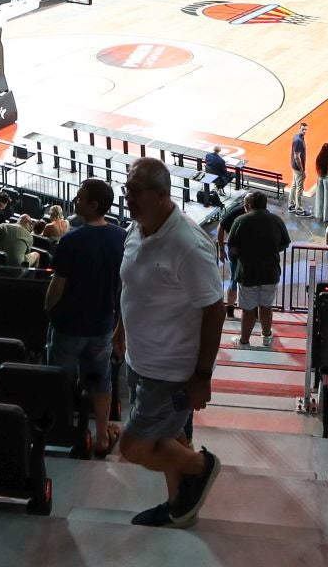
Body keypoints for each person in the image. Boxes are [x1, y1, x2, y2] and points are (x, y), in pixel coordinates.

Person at [114, 159, 224, 529]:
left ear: (162, 195)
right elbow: (131, 285)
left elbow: (215, 310)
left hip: (171, 371)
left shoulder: (188, 245)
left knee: (134, 447)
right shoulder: (137, 227)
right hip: (139, 358)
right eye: (127, 189)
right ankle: (180, 508)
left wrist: (202, 376)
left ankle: (202, 466)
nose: (128, 197)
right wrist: (121, 328)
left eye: (135, 191)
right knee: (170, 435)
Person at [44, 178, 128, 457]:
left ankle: (60, 432)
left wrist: (49, 310)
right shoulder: (121, 238)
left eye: (80, 197)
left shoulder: (71, 240)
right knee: (100, 381)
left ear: (93, 205)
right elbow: (124, 285)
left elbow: (57, 285)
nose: (75, 200)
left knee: (59, 380)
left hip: (68, 326)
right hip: (102, 326)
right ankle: (102, 436)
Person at [227, 191, 290, 348]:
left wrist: (245, 253)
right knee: (266, 306)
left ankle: (244, 341)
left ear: (249, 204)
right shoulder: (276, 220)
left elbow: (232, 246)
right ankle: (266, 337)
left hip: (247, 273)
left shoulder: (240, 220)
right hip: (270, 272)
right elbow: (285, 243)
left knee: (248, 309)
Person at [312, 143, 328, 223]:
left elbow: (317, 168)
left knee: (320, 198)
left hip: (320, 179)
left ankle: (319, 214)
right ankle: (327, 217)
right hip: (327, 180)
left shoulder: (319, 157)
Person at [288, 122, 309, 215]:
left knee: (294, 185)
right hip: (298, 168)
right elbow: (297, 157)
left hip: (294, 166)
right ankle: (299, 209)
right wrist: (302, 170)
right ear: (299, 128)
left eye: (305, 129)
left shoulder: (297, 137)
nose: (304, 131)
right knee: (299, 188)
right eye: (303, 129)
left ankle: (291, 205)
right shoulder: (298, 141)